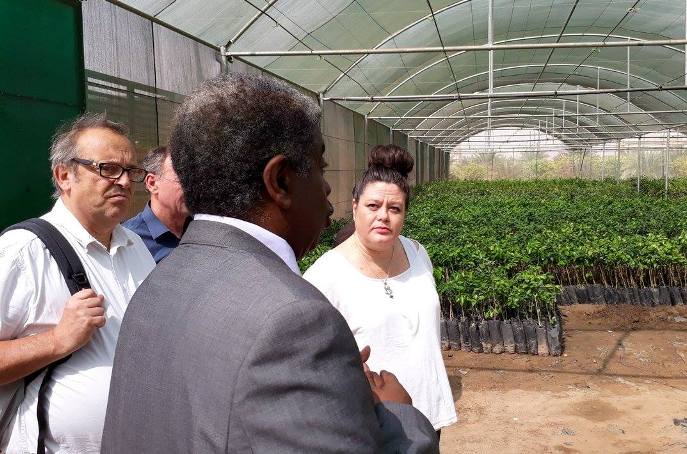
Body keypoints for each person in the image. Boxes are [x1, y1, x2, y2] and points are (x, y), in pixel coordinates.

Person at [101, 73, 438, 453]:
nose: (328, 191)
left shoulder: (157, 283)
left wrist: (328, 391)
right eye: (320, 168)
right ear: (280, 181)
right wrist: (399, 415)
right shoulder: (294, 321)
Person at [0, 114, 155, 453]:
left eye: (131, 172)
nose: (125, 183)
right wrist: (57, 340)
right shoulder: (23, 251)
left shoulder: (135, 246)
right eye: (108, 169)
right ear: (64, 175)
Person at [304, 144, 457, 435]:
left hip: (427, 414)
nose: (383, 216)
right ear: (354, 207)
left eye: (394, 208)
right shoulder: (325, 277)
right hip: (371, 422)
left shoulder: (417, 253)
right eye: (373, 206)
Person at [123, 146, 191, 262]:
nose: (192, 186)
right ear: (152, 183)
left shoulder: (203, 228)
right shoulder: (128, 241)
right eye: (183, 178)